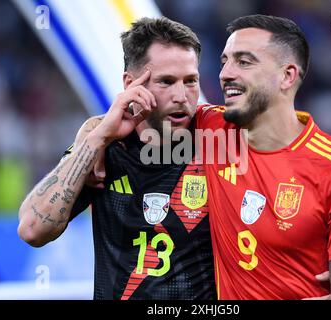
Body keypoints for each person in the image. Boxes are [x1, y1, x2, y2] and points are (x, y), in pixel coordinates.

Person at [18, 17, 216, 300]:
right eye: (166, 82)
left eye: (190, 81)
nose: (181, 96)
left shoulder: (218, 137)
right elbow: (32, 230)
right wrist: (96, 138)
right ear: (131, 84)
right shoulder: (106, 147)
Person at [194, 14, 331, 299]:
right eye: (224, 62)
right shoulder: (210, 128)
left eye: (244, 62)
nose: (225, 74)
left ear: (287, 76)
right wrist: (100, 134)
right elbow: (123, 121)